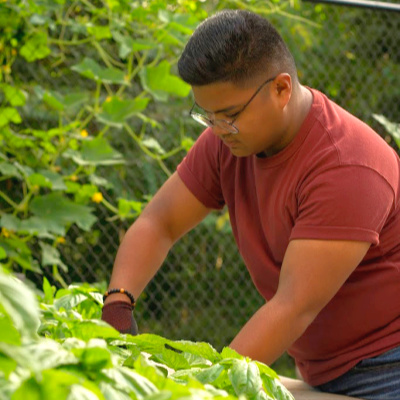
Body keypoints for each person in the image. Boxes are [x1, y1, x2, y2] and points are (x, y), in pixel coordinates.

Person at [101, 9, 400, 400]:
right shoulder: (228, 142)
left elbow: (293, 306)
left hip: (386, 372)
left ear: (281, 89)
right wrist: (117, 306)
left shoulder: (348, 165)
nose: (217, 129)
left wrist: (194, 390)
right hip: (321, 370)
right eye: (206, 115)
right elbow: (160, 223)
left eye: (228, 115)